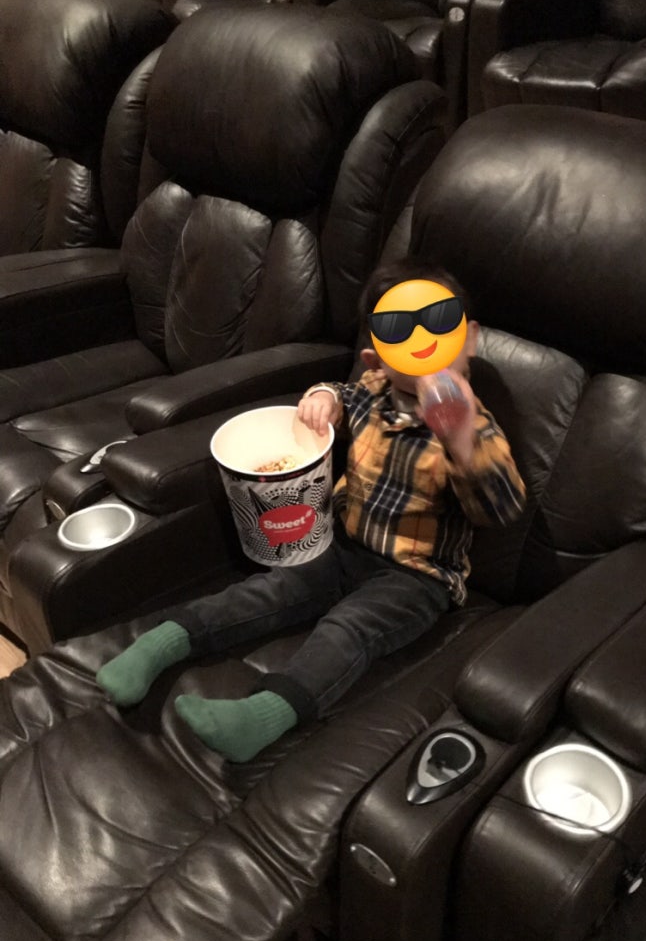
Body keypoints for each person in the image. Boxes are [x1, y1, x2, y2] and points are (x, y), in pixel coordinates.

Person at [96, 258, 526, 761]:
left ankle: (263, 716)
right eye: (400, 334)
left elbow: (502, 508)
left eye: (438, 325)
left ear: (468, 338)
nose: (423, 345)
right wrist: (322, 397)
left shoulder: (476, 429)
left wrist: (460, 437)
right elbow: (341, 395)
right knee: (270, 589)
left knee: (349, 627)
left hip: (417, 577)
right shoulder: (372, 392)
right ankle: (160, 644)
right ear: (376, 359)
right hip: (343, 546)